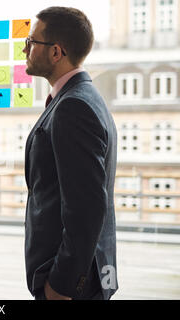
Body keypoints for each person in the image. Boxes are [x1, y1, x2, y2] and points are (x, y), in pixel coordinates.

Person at [23, 7, 118, 300]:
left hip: (71, 284)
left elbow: (87, 209)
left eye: (31, 42)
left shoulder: (73, 107)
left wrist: (61, 286)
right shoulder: (83, 96)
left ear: (56, 52)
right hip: (84, 276)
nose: (24, 49)